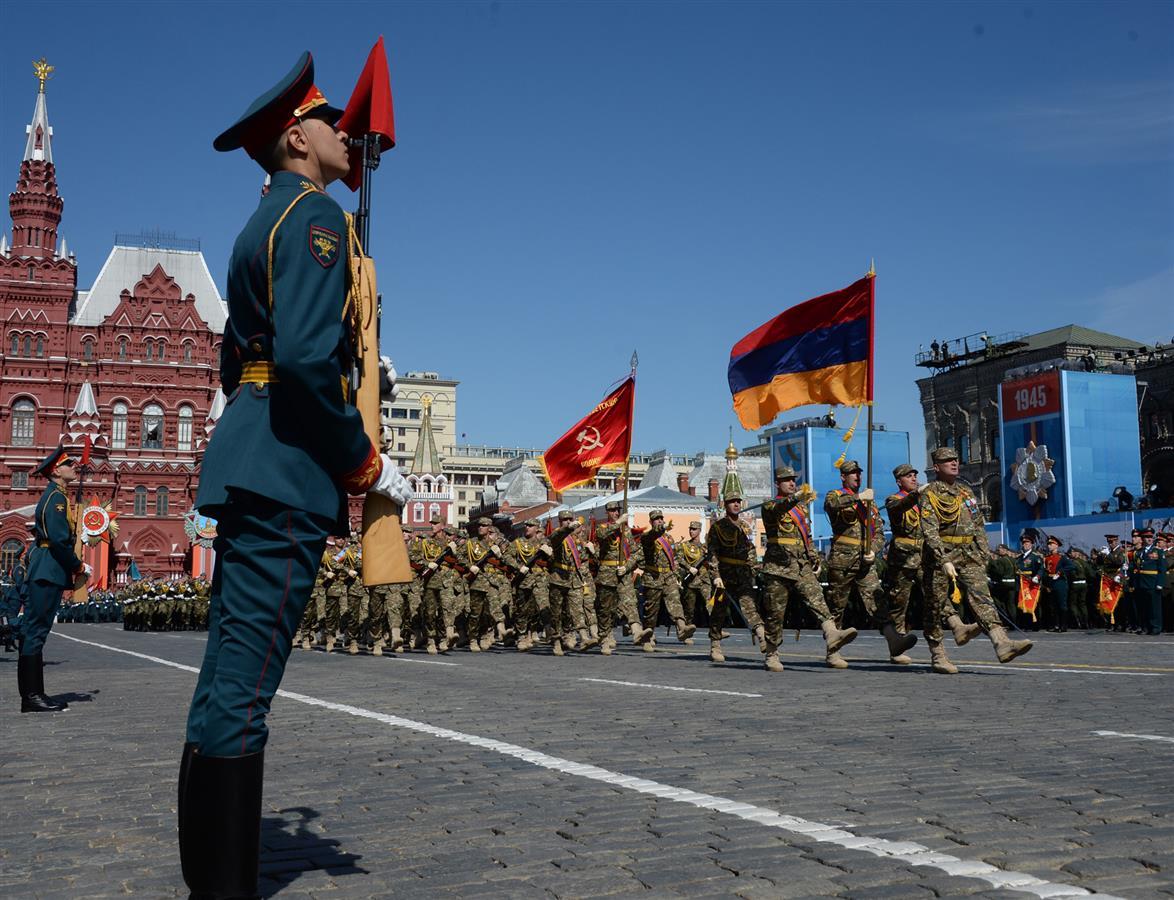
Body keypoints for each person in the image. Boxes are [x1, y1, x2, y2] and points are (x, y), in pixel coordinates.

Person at [179, 52, 413, 899]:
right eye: (330, 124)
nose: (346, 134)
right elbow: (311, 364)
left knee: (224, 681)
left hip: (252, 454)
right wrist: (361, 460)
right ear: (295, 138)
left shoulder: (260, 225)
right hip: (285, 471)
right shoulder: (315, 222)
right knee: (243, 691)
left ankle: (212, 879)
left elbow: (236, 359)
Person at [919, 447, 1032, 673]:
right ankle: (938, 654)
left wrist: (982, 551)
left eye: (955, 459)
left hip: (969, 553)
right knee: (935, 605)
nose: (953, 463)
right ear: (936, 467)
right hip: (942, 554)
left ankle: (1001, 642)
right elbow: (929, 529)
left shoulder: (965, 492)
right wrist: (942, 559)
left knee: (982, 597)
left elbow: (978, 524)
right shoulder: (929, 493)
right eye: (947, 461)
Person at [761, 467, 857, 672]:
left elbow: (806, 534)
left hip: (801, 564)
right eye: (786, 480)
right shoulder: (770, 505)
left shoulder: (801, 507)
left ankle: (832, 634)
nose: (791, 483)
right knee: (775, 614)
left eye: (793, 480)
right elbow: (780, 508)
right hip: (778, 567)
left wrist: (813, 557)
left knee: (818, 601)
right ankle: (772, 652)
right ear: (777, 483)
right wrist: (796, 498)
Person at [16, 446, 89, 712]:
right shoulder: (56, 499)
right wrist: (78, 564)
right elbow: (58, 541)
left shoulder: (57, 496)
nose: (74, 466)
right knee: (36, 632)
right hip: (49, 570)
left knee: (33, 632)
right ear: (56, 471)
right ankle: (33, 696)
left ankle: (32, 694)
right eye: (68, 463)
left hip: (46, 569)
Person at [824, 460, 917, 666]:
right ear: (843, 477)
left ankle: (894, 642)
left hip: (865, 561)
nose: (857, 476)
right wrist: (857, 498)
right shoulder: (836, 496)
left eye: (859, 473)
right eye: (852, 473)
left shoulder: (870, 503)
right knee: (837, 606)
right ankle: (833, 651)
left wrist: (873, 550)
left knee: (877, 603)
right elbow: (830, 506)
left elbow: (879, 533)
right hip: (843, 559)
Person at [705, 484, 763, 664]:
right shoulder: (718, 527)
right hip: (725, 573)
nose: (736, 504)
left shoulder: (745, 527)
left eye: (738, 501)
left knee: (749, 606)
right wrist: (716, 576)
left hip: (743, 573)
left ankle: (762, 636)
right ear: (725, 504)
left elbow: (751, 550)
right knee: (719, 610)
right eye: (732, 501)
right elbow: (712, 553)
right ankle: (715, 644)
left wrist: (754, 568)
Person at [594, 501, 650, 654]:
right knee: (606, 609)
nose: (615, 513)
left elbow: (636, 553)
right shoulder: (603, 528)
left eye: (617, 511)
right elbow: (601, 535)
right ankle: (605, 637)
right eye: (612, 511)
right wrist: (618, 523)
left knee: (630, 602)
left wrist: (628, 566)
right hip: (607, 574)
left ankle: (637, 631)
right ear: (608, 513)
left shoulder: (626, 532)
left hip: (623, 573)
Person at [637, 511, 695, 651]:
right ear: (651, 522)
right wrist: (659, 530)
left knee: (675, 602)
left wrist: (677, 577)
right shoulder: (647, 537)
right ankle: (647, 636)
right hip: (653, 577)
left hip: (668, 576)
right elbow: (653, 535)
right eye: (656, 519)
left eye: (661, 519)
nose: (660, 521)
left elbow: (673, 560)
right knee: (651, 610)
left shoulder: (668, 538)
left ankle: (682, 628)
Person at [1042, 536, 1074, 632]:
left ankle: (1063, 625)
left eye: (1051, 544)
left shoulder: (1062, 557)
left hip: (1060, 583)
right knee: (1053, 605)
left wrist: (1060, 573)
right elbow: (1046, 571)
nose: (1049, 546)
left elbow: (1071, 566)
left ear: (1056, 545)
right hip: (1051, 582)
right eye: (1048, 544)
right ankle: (1056, 625)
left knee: (1061, 605)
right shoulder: (1047, 558)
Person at [1015, 534, 1045, 629]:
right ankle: (1026, 624)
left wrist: (1037, 576)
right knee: (1024, 602)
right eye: (1024, 543)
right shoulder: (1020, 558)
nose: (1026, 544)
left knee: (1033, 602)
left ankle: (1036, 624)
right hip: (1022, 582)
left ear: (1032, 544)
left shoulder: (1035, 556)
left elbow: (1041, 568)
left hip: (1031, 582)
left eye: (1028, 543)